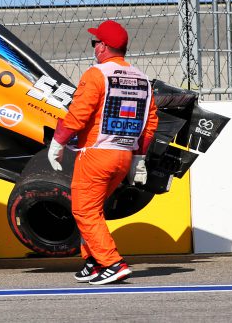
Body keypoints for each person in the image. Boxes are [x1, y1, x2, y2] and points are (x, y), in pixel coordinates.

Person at [47, 20, 157, 285]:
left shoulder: (96, 74)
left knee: (84, 211)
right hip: (123, 157)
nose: (94, 46)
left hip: (96, 154)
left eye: (95, 42)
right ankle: (93, 261)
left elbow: (78, 114)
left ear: (103, 47)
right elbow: (150, 122)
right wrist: (139, 158)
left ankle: (112, 262)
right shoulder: (142, 79)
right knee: (92, 210)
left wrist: (57, 142)